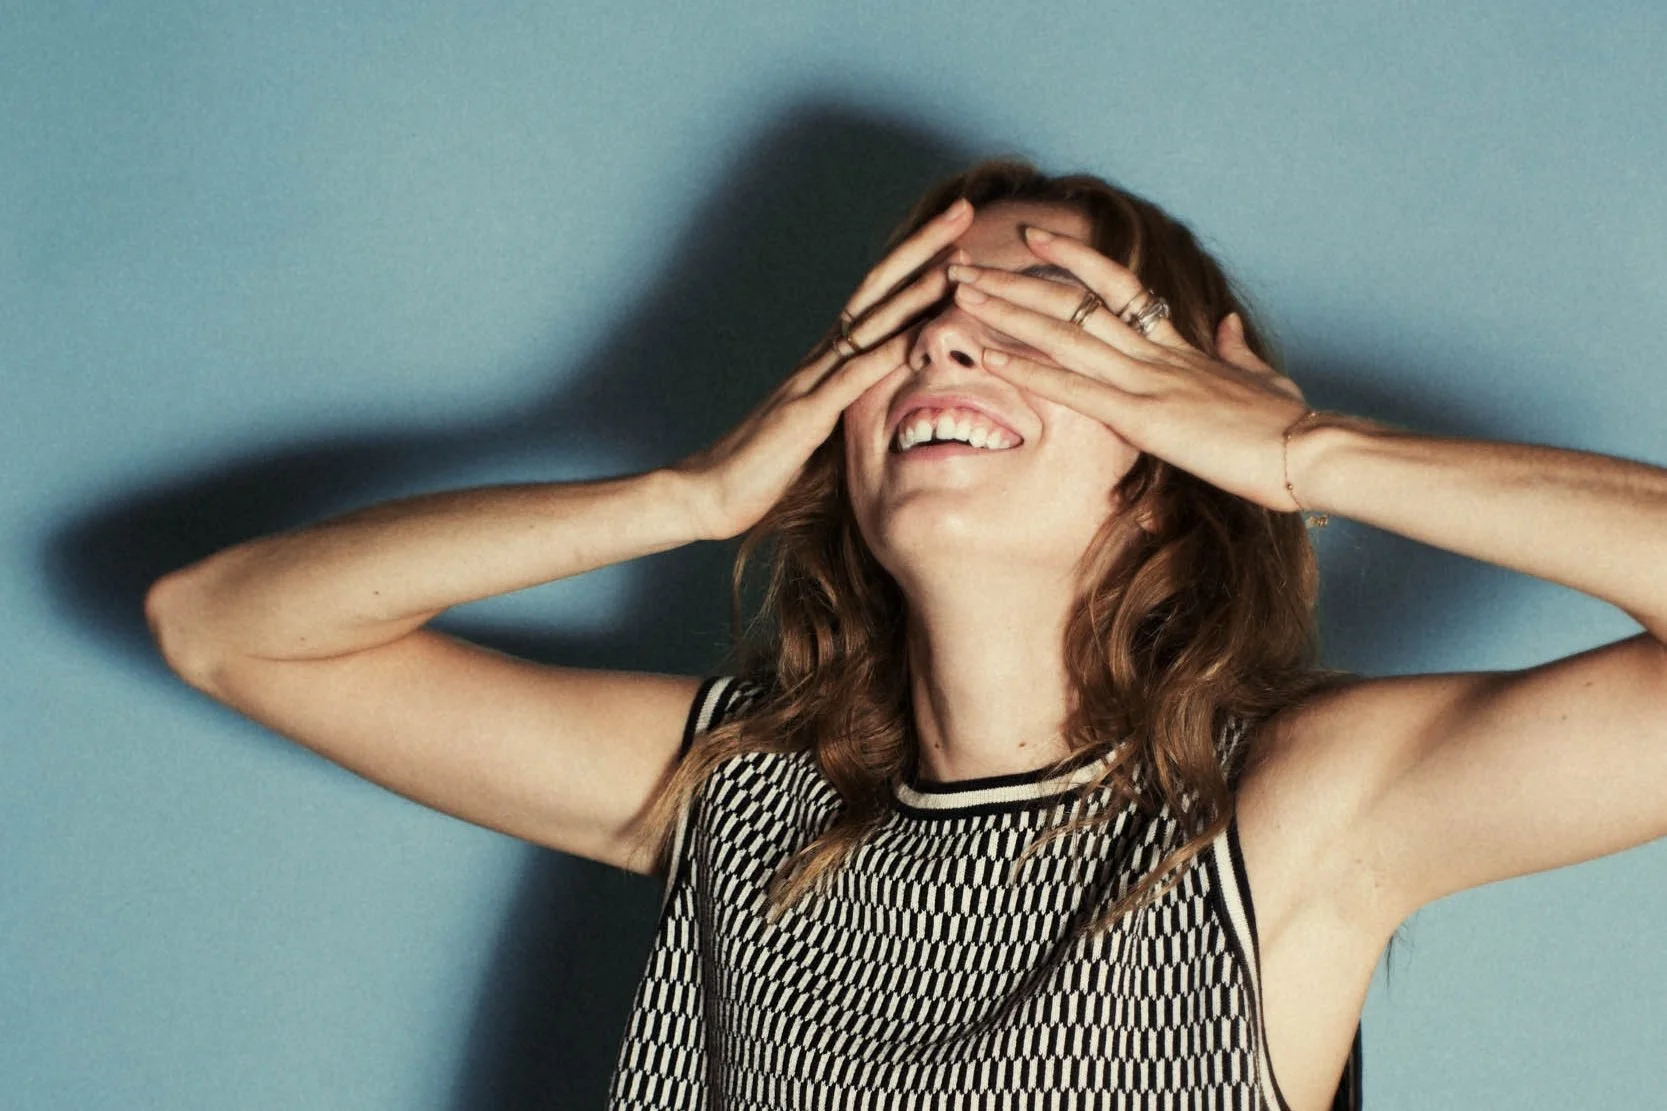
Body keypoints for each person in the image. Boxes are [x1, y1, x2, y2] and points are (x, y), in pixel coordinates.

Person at [144, 159, 1667, 1111]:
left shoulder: (1291, 813)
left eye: (1044, 320)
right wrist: (685, 494)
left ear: (1172, 442)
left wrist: (1300, 455)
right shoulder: (739, 791)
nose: (944, 337)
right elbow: (226, 628)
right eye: (905, 319)